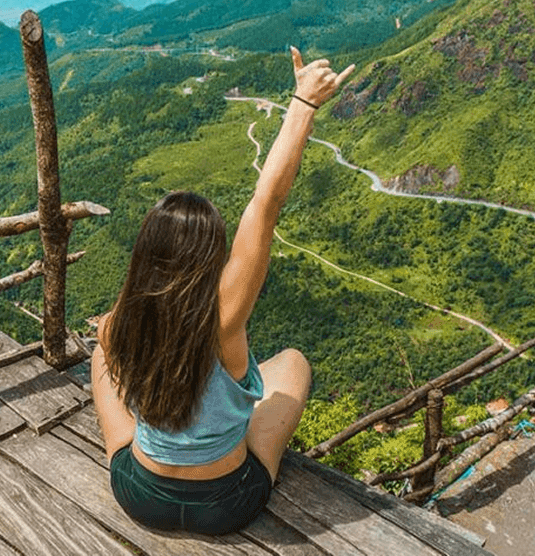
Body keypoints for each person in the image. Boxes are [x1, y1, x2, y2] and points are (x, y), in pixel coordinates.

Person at [91, 46, 356, 535]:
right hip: (228, 504)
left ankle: (150, 452)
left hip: (140, 497)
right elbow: (266, 202)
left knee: (101, 357)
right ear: (212, 256)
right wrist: (304, 103)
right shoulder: (223, 321)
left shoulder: (117, 327)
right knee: (292, 362)